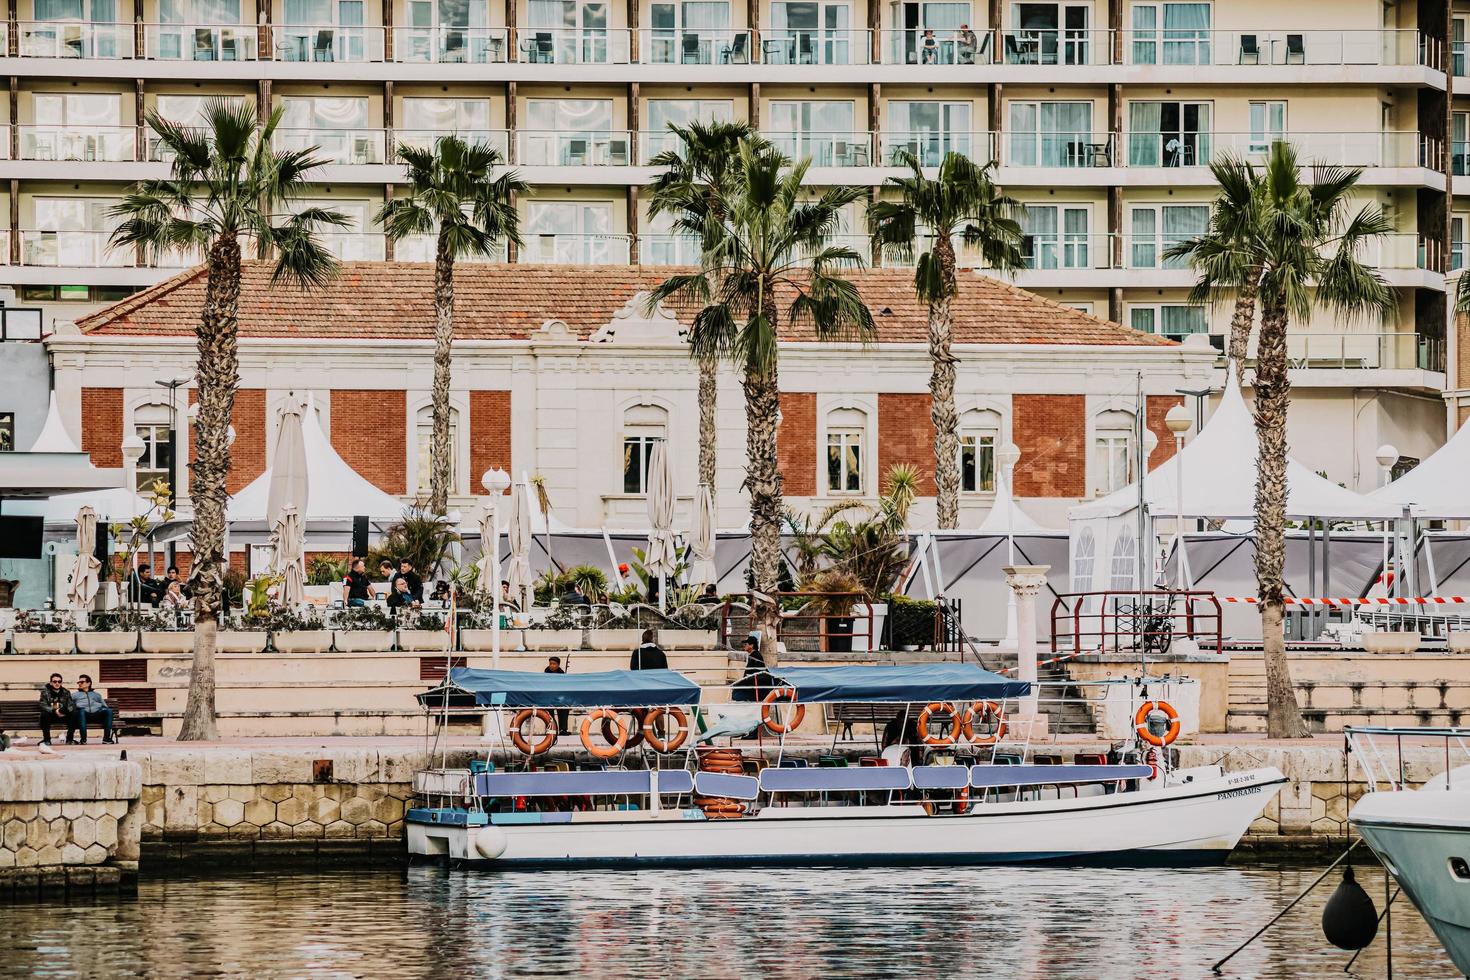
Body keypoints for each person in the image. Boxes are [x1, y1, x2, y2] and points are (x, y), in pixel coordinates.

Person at [69, 674, 114, 745]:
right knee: (81, 711)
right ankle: (83, 740)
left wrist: (99, 707)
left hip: (96, 715)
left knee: (109, 711)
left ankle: (106, 739)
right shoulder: (74, 695)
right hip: (83, 716)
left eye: (82, 682)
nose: (79, 684)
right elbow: (70, 706)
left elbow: (105, 706)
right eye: (79, 682)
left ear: (88, 683)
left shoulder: (96, 695)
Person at [732, 632, 772, 701]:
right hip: (752, 685)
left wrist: (743, 682)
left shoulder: (756, 656)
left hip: (756, 689)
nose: (744, 646)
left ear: (751, 645)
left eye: (746, 644)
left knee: (736, 693)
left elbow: (757, 674)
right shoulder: (753, 656)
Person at [37, 673, 71, 748]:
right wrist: (54, 711)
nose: (57, 683)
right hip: (50, 716)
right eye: (55, 681)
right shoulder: (45, 692)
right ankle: (47, 740)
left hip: (63, 715)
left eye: (59, 681)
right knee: (44, 714)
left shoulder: (66, 692)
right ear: (51, 682)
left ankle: (69, 739)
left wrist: (63, 711)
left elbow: (70, 705)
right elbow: (43, 704)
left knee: (74, 714)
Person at [543, 656, 571, 735]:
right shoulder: (546, 673)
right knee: (549, 712)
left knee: (564, 708)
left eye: (554, 664)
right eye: (550, 663)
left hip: (559, 696)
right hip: (549, 696)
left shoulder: (561, 673)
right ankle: (551, 729)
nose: (552, 665)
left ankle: (563, 730)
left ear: (558, 665)